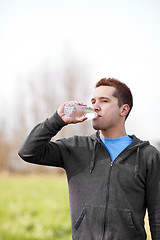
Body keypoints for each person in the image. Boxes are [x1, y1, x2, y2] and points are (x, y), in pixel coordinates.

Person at [18, 78, 160, 240]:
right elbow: (28, 151)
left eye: (104, 101)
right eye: (93, 101)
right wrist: (57, 120)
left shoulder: (147, 155)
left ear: (123, 110)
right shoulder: (76, 147)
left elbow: (157, 215)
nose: (95, 106)